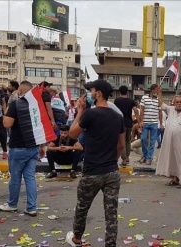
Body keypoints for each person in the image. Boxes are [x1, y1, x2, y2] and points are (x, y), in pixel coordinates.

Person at [66, 79, 125, 247]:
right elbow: (121, 145)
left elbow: (72, 133)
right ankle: (110, 244)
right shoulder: (118, 117)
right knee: (111, 212)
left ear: (98, 94)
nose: (89, 94)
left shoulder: (90, 114)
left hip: (92, 171)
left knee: (82, 208)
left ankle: (77, 238)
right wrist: (112, 161)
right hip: (112, 172)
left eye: (91, 91)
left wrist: (80, 110)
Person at [0, 81, 39, 216]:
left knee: (15, 178)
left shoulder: (16, 104)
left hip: (18, 147)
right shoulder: (37, 107)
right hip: (34, 146)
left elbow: (7, 124)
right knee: (30, 178)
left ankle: (12, 204)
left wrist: (6, 111)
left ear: (20, 92)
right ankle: (32, 207)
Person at [156, 90, 181, 188]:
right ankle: (174, 179)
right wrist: (159, 93)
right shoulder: (170, 109)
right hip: (170, 140)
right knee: (172, 159)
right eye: (177, 102)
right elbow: (161, 103)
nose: (179, 104)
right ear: (174, 103)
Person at [114, 85, 140, 167]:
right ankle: (127, 157)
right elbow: (136, 110)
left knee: (121, 142)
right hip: (129, 123)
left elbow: (115, 111)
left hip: (120, 122)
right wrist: (138, 121)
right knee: (128, 141)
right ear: (127, 92)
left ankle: (124, 159)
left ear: (120, 92)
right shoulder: (131, 101)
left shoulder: (117, 100)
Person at [138, 84, 162, 165]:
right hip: (145, 122)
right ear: (152, 90)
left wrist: (161, 123)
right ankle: (145, 155)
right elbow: (141, 110)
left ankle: (149, 158)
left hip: (154, 123)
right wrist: (141, 121)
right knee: (143, 139)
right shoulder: (144, 98)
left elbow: (160, 111)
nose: (157, 91)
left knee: (152, 142)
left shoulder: (158, 100)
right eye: (156, 90)